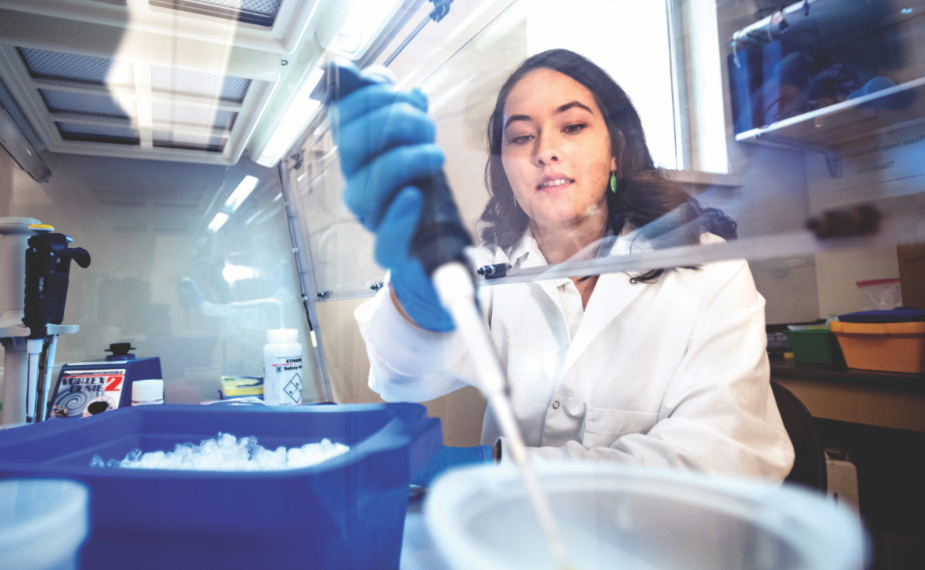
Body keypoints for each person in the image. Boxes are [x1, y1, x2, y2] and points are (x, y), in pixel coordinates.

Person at [333, 49, 794, 485]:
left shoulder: (708, 269)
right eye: (520, 136)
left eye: (572, 126)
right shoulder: (493, 272)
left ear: (616, 150)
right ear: (506, 171)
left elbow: (727, 459)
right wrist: (416, 298)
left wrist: (494, 469)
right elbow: (401, 378)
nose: (544, 150)